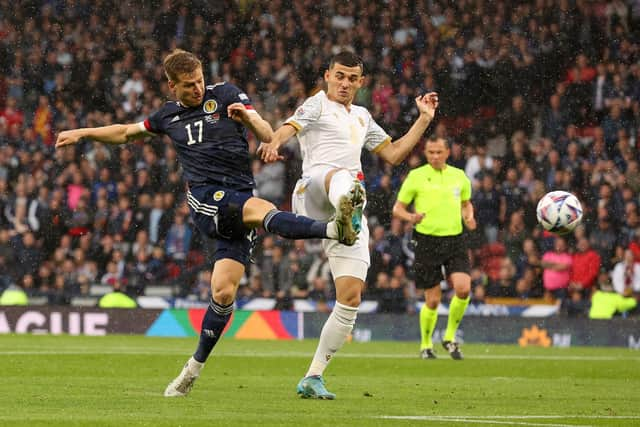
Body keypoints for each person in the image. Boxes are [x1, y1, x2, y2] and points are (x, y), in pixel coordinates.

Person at [55, 49, 361, 398]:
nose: (198, 89)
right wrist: (83, 133)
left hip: (238, 200)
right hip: (208, 199)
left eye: (200, 81)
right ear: (172, 86)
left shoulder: (227, 94)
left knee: (223, 293)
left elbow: (265, 133)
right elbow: (126, 132)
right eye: (188, 85)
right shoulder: (168, 116)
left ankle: (191, 370)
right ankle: (334, 229)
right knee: (262, 209)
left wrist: (245, 119)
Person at [259, 51, 439, 399]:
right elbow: (288, 127)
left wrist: (424, 120)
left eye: (351, 78)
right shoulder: (316, 105)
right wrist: (273, 143)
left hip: (345, 203)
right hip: (313, 190)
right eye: (339, 76)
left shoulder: (362, 116)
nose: (344, 83)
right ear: (327, 76)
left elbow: (394, 154)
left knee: (351, 297)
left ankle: (313, 376)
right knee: (347, 179)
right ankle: (348, 208)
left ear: (361, 82)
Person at [392, 136, 476, 360]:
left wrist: (469, 216)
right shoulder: (416, 176)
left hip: (455, 239)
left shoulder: (459, 176)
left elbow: (466, 204)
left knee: (463, 288)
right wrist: (412, 216)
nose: (435, 156)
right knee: (432, 300)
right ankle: (426, 344)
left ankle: (449, 337)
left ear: (448, 152)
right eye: (431, 152)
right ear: (426, 153)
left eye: (439, 152)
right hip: (427, 241)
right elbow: (397, 209)